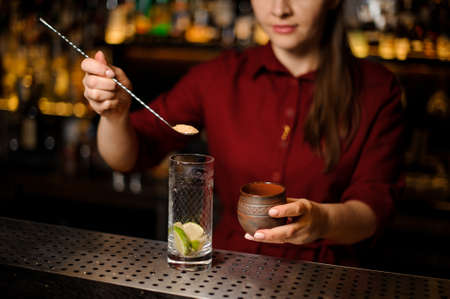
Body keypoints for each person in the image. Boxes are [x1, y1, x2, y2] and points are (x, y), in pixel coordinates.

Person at [81, 0, 405, 266]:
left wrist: (320, 220)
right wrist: (115, 115)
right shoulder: (218, 76)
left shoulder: (377, 89)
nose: (279, 9)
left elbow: (372, 210)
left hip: (328, 276)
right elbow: (129, 155)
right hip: (228, 271)